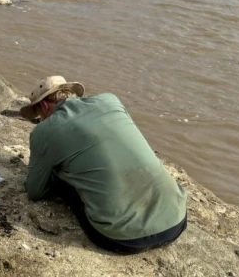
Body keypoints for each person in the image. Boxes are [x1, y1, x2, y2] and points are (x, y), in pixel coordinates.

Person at [21, 76, 187, 254]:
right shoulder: (110, 100)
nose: (41, 119)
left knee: (62, 178)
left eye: (39, 114)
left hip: (123, 239)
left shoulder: (44, 131)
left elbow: (35, 191)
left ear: (44, 106)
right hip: (177, 220)